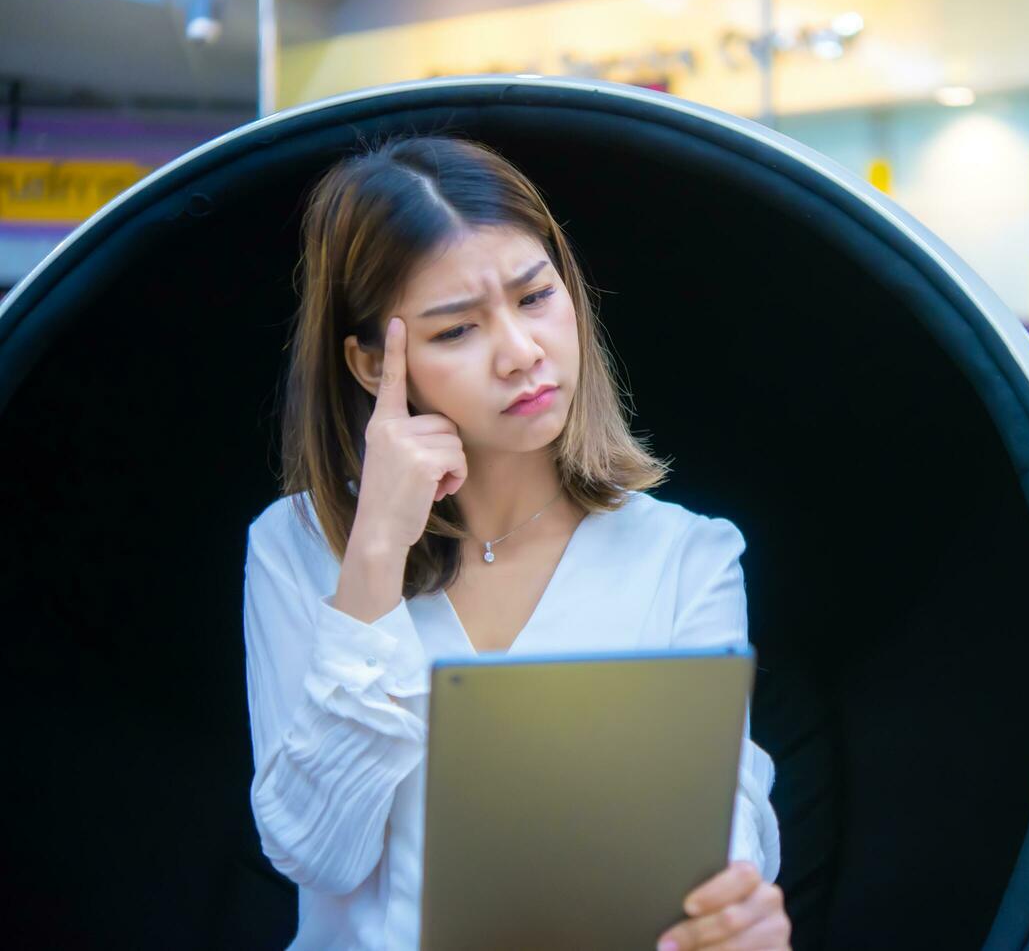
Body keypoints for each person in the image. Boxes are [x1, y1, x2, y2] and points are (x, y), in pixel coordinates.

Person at [241, 134, 788, 950]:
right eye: (456, 330)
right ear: (368, 365)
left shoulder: (685, 557)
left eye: (535, 298)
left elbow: (719, 830)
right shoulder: (297, 546)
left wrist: (732, 911)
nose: (521, 353)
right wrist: (375, 558)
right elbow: (316, 853)